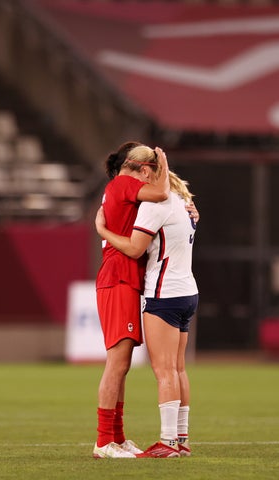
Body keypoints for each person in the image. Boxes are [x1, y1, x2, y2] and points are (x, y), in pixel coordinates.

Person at [96, 167, 198, 459]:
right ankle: (181, 439)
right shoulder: (183, 201)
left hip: (164, 293)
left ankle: (167, 442)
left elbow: (134, 248)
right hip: (188, 291)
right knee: (178, 369)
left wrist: (103, 231)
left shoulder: (155, 204)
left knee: (164, 370)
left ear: (148, 173)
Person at [92, 142, 170, 459]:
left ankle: (117, 437)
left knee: (121, 365)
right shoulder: (124, 183)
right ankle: (103, 441)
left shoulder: (116, 187)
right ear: (142, 168)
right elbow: (162, 193)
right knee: (117, 363)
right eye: (150, 170)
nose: (151, 177)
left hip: (121, 279)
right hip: (118, 278)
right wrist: (163, 161)